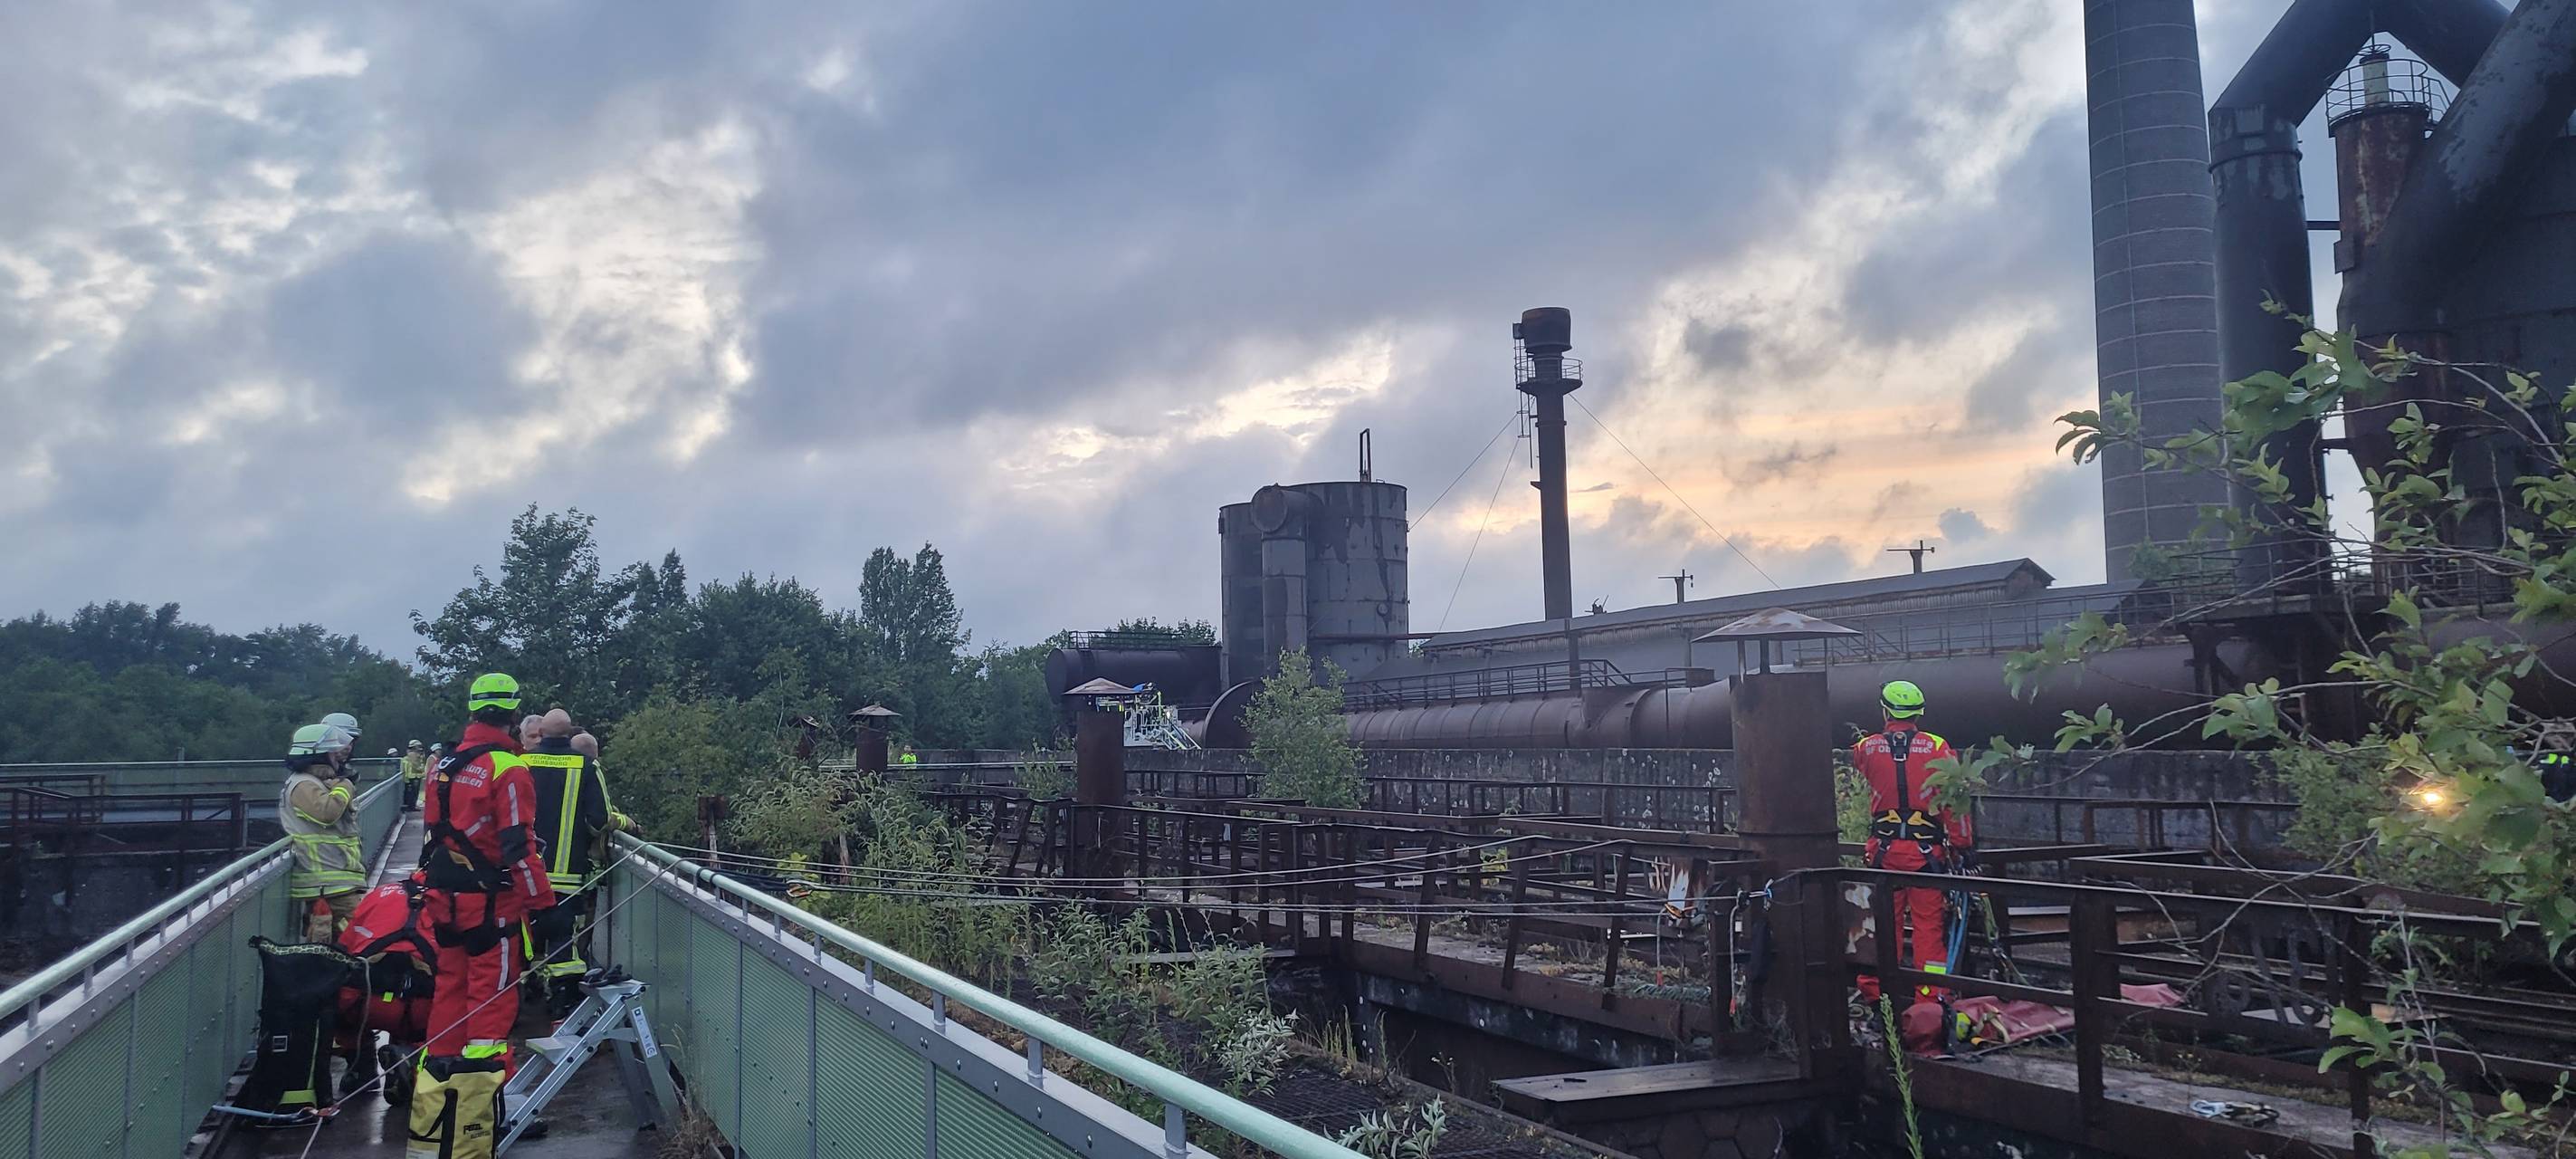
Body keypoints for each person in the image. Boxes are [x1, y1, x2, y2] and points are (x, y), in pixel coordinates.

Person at [419, 673, 558, 1077]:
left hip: (444, 895)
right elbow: (518, 845)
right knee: (490, 998)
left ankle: (436, 1087)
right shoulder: (507, 768)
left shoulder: (441, 767)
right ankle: (486, 1101)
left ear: (473, 711)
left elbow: (434, 833)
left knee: (448, 988)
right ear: (514, 713)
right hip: (490, 904)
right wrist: (542, 904)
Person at [1852, 679, 1975, 1004]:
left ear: (1885, 710)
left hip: (1884, 852)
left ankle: (1876, 994)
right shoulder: (1938, 748)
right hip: (1926, 856)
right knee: (1928, 930)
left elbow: (1867, 769)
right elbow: (1954, 801)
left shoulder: (1865, 748)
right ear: (1919, 712)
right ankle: (1930, 999)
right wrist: (1963, 845)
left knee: (1881, 927)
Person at [518, 709, 629, 1008]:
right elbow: (600, 818)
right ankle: (562, 1006)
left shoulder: (522, 763)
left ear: (540, 733)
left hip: (524, 873)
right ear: (569, 734)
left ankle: (522, 995)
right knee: (564, 942)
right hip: (568, 877)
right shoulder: (587, 766)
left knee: (522, 938)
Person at [281, 723, 366, 941]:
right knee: (360, 938)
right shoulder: (303, 784)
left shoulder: (315, 781)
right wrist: (345, 786)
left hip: (335, 880)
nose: (338, 755)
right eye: (332, 751)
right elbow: (327, 812)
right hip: (326, 881)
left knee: (347, 940)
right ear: (317, 754)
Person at [399, 740, 429, 812]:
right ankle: (411, 806)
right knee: (413, 793)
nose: (419, 748)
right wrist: (422, 769)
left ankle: (411, 806)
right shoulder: (413, 754)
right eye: (418, 746)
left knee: (413, 792)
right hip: (414, 776)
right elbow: (416, 765)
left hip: (414, 776)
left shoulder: (413, 754)